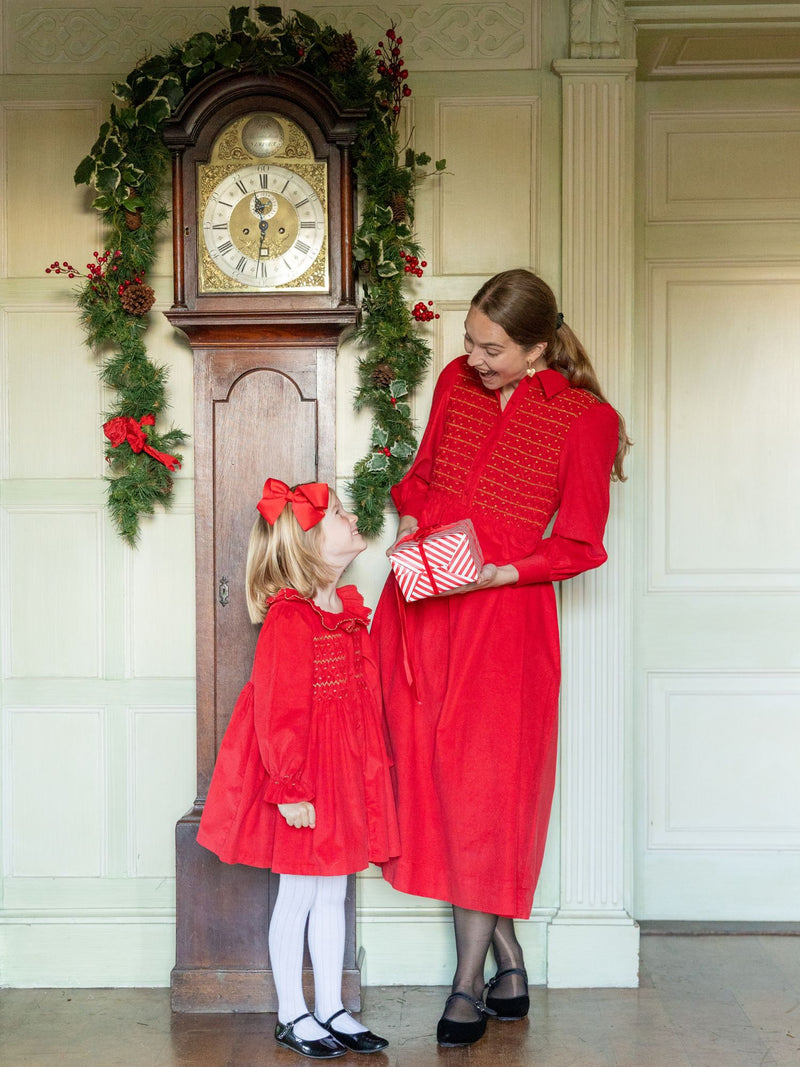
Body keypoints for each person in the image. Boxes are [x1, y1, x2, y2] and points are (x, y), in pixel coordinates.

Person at [372, 269, 631, 1047]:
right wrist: (419, 527)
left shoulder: (586, 419)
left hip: (505, 619)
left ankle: (467, 982)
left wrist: (504, 570)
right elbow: (420, 477)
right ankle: (508, 959)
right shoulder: (455, 381)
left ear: (537, 349)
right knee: (436, 785)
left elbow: (583, 543)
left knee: (486, 795)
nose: (474, 358)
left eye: (492, 348)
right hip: (426, 601)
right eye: (471, 342)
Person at [197, 478, 400, 1060]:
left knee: (334, 892)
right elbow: (277, 706)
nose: (351, 515)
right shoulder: (292, 618)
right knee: (300, 892)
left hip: (343, 770)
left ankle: (332, 1005)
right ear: (309, 544)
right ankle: (293, 1012)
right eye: (338, 513)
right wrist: (289, 785)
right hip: (305, 775)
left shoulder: (344, 609)